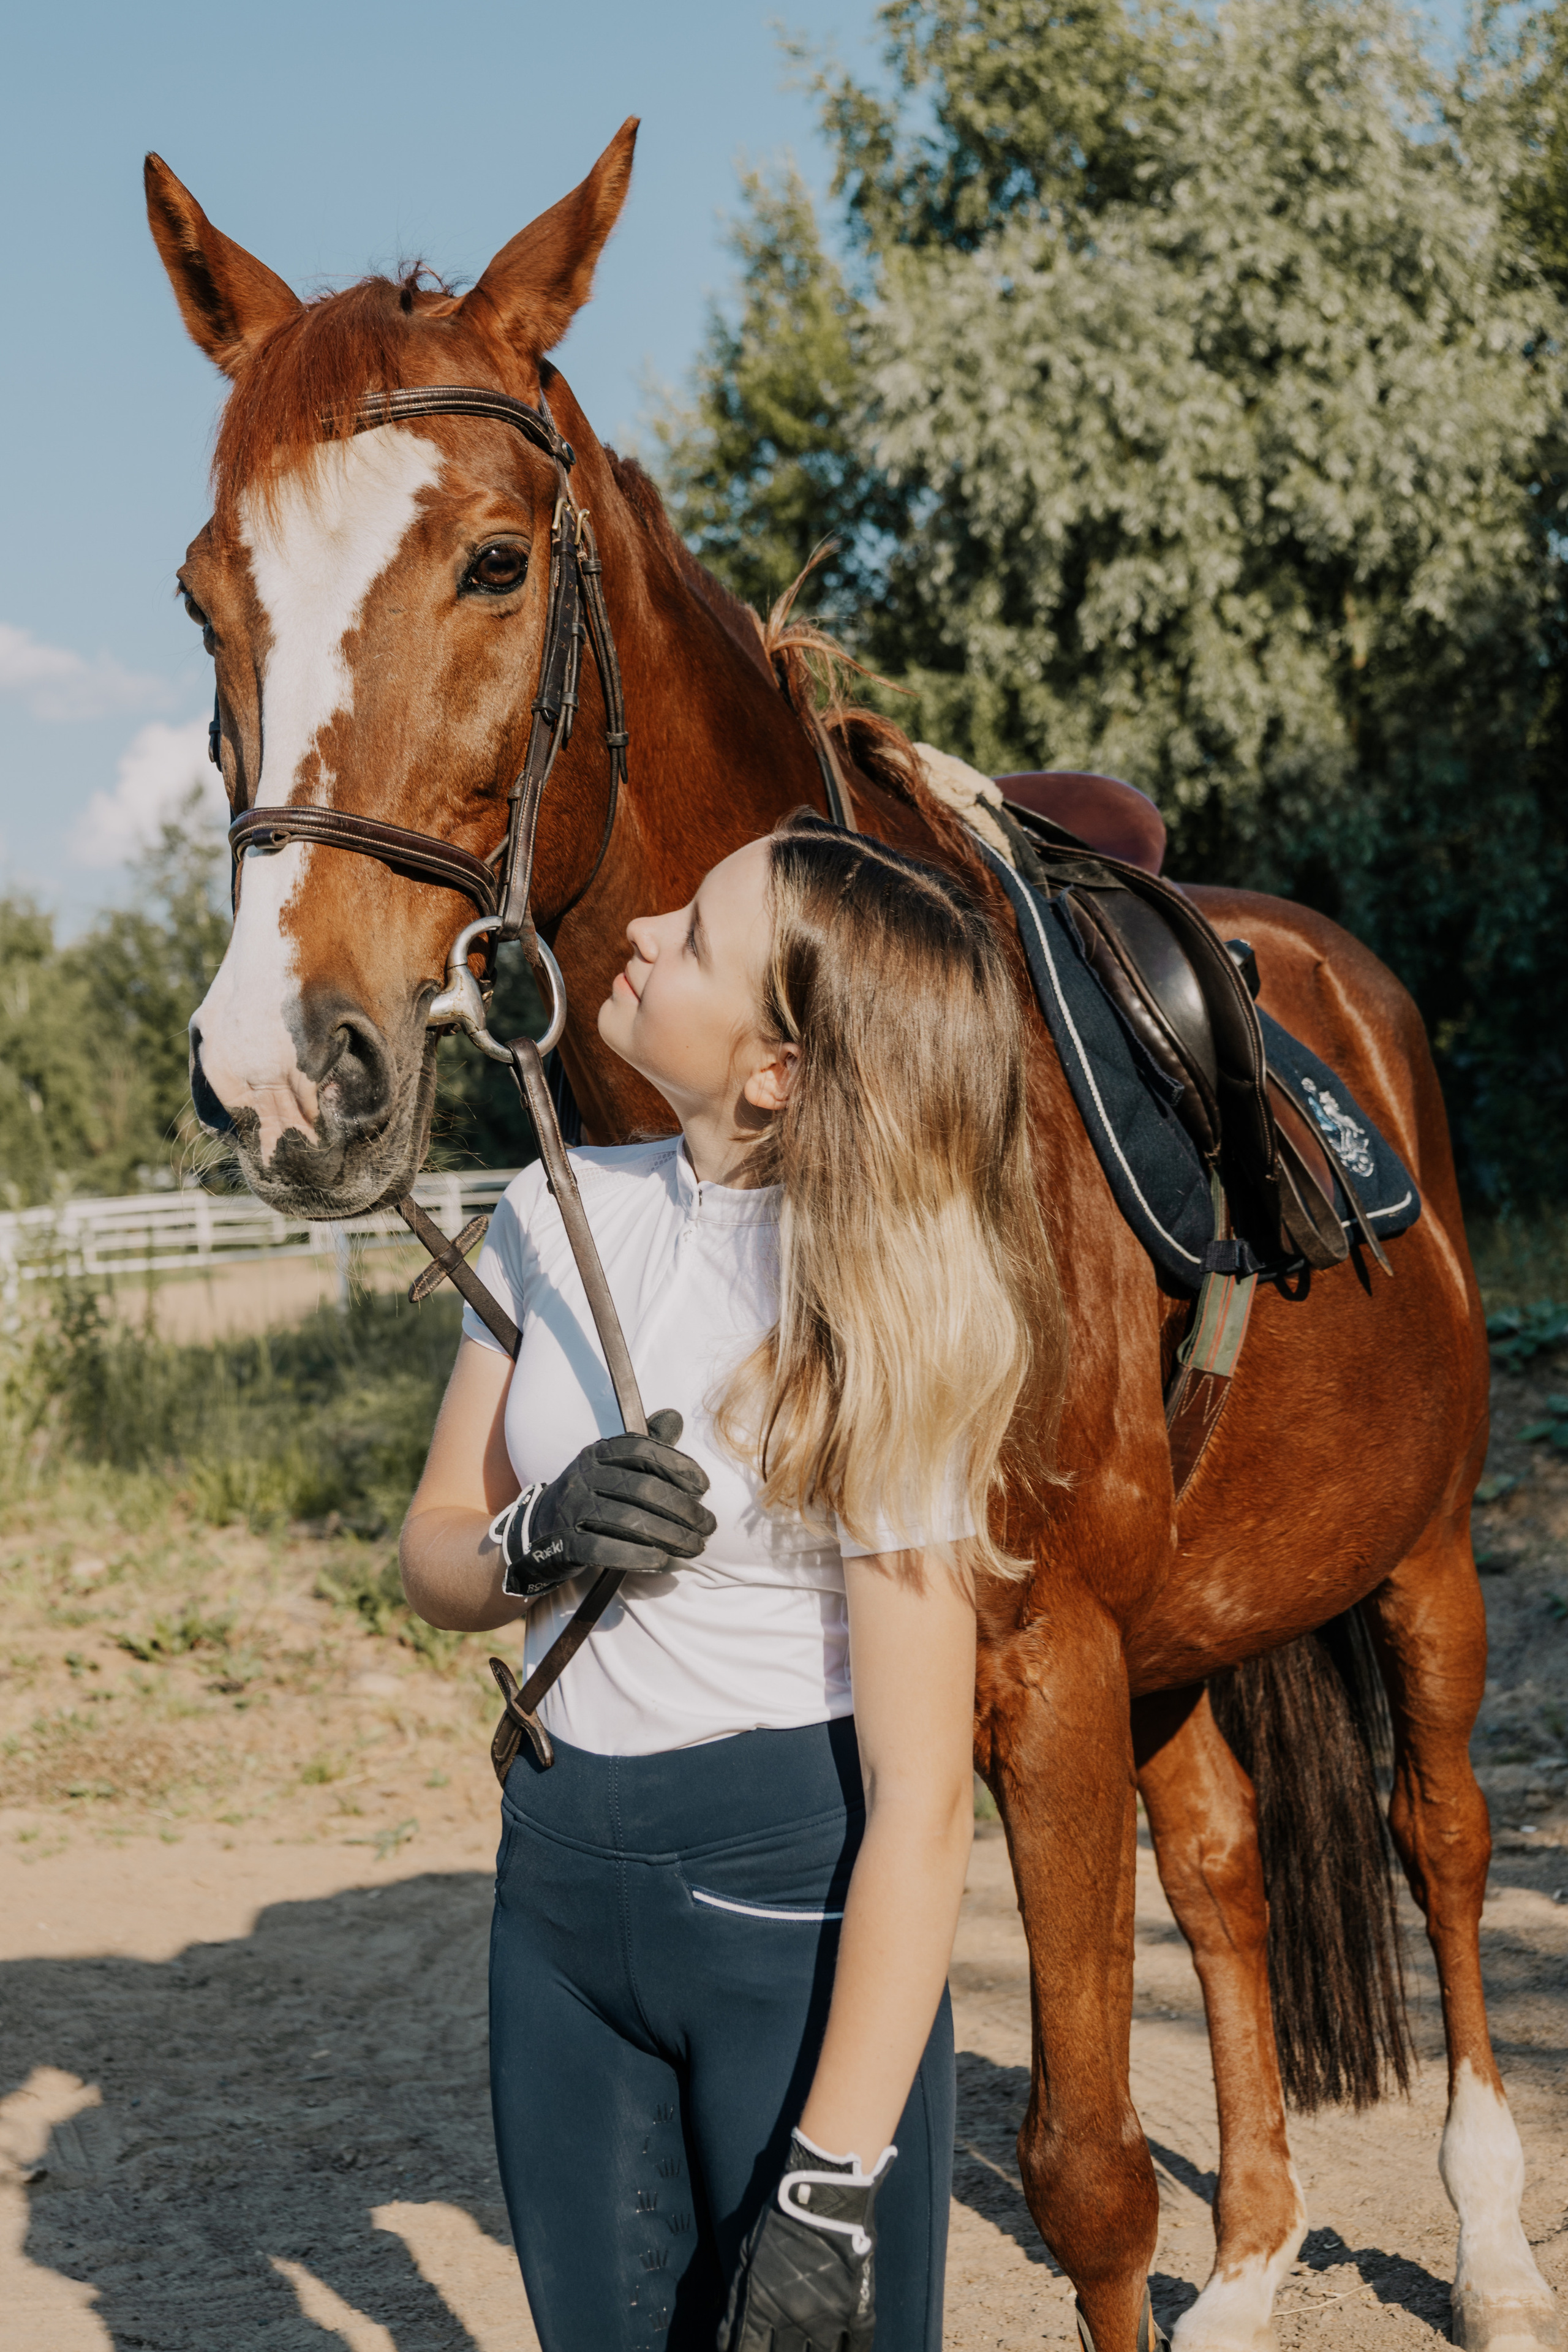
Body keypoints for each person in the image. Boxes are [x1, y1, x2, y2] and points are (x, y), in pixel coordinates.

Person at [400, 812, 1066, 2352]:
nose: (636, 935)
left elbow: (920, 1798)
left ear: (775, 1067)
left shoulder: (882, 1306)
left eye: (692, 937)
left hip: (782, 1908)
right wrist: (532, 1538)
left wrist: (830, 2192)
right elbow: (437, 1549)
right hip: (553, 1898)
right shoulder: (550, 1216)